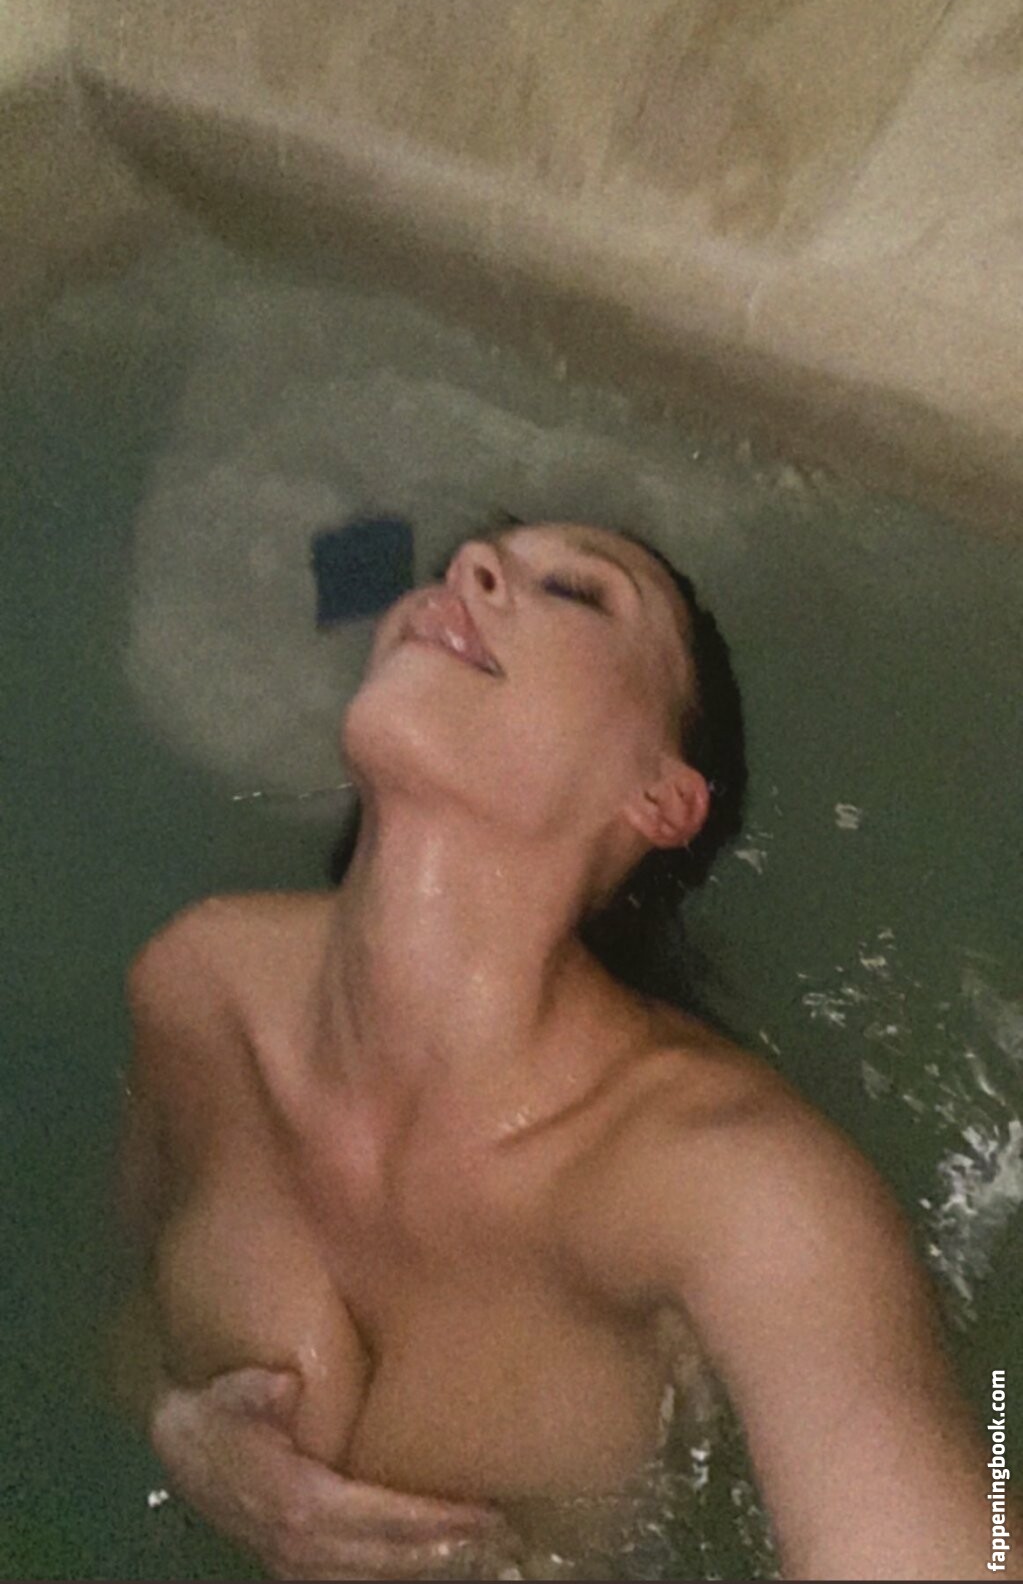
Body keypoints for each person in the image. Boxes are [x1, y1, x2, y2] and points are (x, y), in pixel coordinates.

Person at [113, 518, 1018, 1582]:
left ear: (660, 798)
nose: (469, 569)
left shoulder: (730, 1182)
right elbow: (120, 1336)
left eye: (576, 592)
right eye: (465, 564)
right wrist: (182, 1435)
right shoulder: (195, 990)